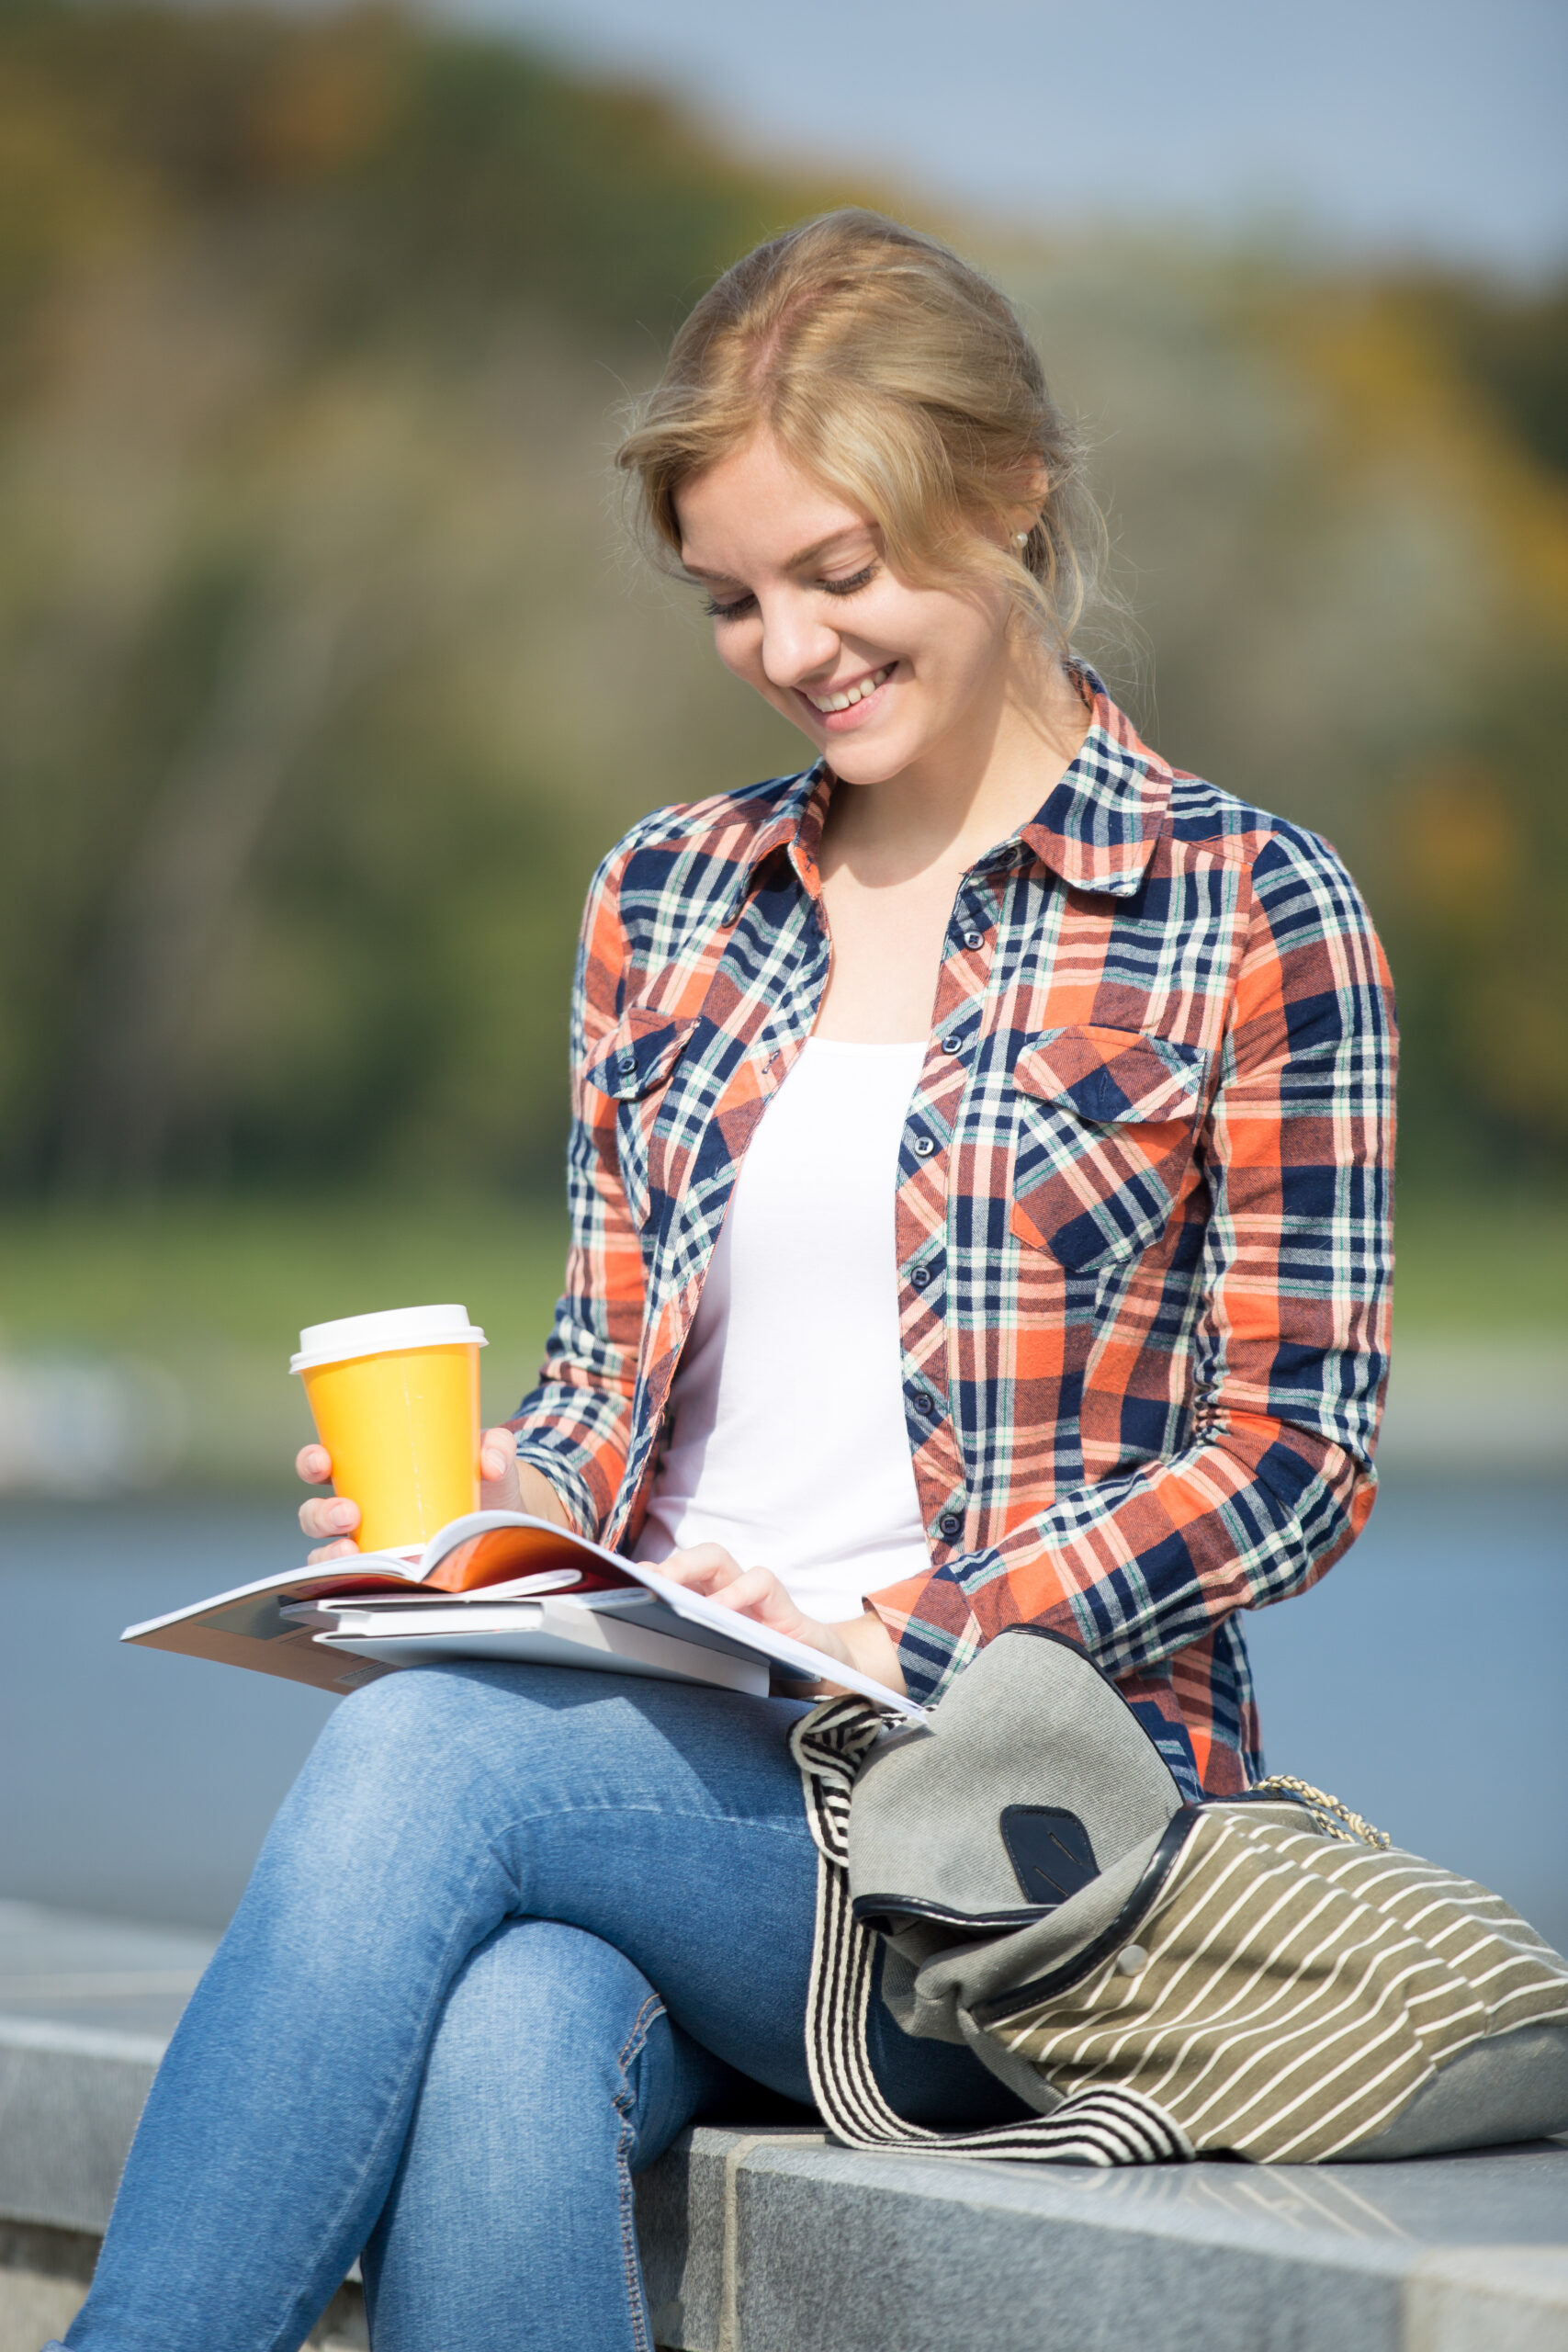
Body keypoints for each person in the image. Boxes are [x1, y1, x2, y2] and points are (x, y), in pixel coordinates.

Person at [57, 210, 1395, 2352]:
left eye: (837, 574)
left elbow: (1292, 1458)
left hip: (1010, 1845)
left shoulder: (1244, 905)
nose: (787, 645)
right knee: (506, 2022)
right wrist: (489, 1527)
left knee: (432, 1765)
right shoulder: (670, 895)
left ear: (1011, 493)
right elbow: (610, 1377)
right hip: (668, 1779)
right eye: (731, 598)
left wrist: (922, 1622)